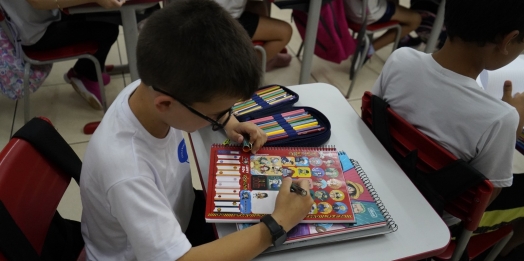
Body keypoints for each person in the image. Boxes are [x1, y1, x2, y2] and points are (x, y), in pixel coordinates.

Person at [80, 1, 313, 260]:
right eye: (214, 115)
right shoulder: (127, 170)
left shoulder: (153, 85)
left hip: (179, 216)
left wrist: (229, 122)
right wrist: (278, 223)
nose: (219, 118)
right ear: (165, 104)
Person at [371, 0, 524, 256]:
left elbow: (372, 124)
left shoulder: (401, 59)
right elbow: (483, 201)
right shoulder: (501, 118)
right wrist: (516, 121)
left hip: (380, 181)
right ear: (509, 40)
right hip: (437, 218)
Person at [0, 0, 124, 110]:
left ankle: (87, 71)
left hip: (42, 18)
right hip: (37, 34)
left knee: (104, 16)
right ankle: (86, 74)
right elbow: (38, 2)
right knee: (108, 29)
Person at [214, 0, 293, 72]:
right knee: (285, 32)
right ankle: (249, 68)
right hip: (222, 24)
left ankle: (265, 56)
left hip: (207, 15)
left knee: (257, 4)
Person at [343, 0, 421, 60]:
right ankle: (367, 51)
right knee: (415, 19)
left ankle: (402, 38)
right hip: (365, 13)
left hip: (344, 9)